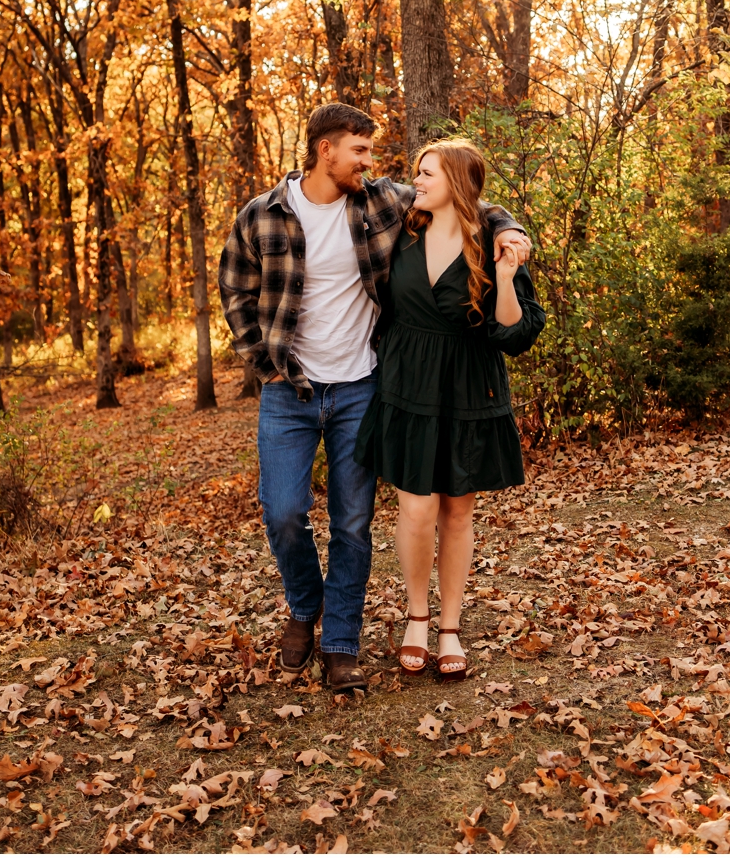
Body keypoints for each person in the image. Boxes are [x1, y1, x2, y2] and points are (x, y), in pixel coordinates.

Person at [218, 105, 531, 692]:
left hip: (363, 384)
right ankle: (304, 608)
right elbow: (234, 285)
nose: (370, 162)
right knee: (284, 513)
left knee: (354, 522)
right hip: (291, 390)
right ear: (324, 150)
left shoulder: (379, 203)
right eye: (358, 151)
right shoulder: (263, 215)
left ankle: (340, 642)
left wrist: (510, 225)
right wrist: (263, 362)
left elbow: (463, 195)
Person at [355, 138, 545, 681]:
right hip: (407, 383)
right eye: (417, 171)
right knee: (416, 510)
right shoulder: (401, 231)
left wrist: (505, 279)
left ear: (457, 182)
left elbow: (514, 333)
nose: (417, 180)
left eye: (428, 173)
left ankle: (450, 628)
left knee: (458, 511)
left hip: (468, 385)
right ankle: (417, 618)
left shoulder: (493, 243)